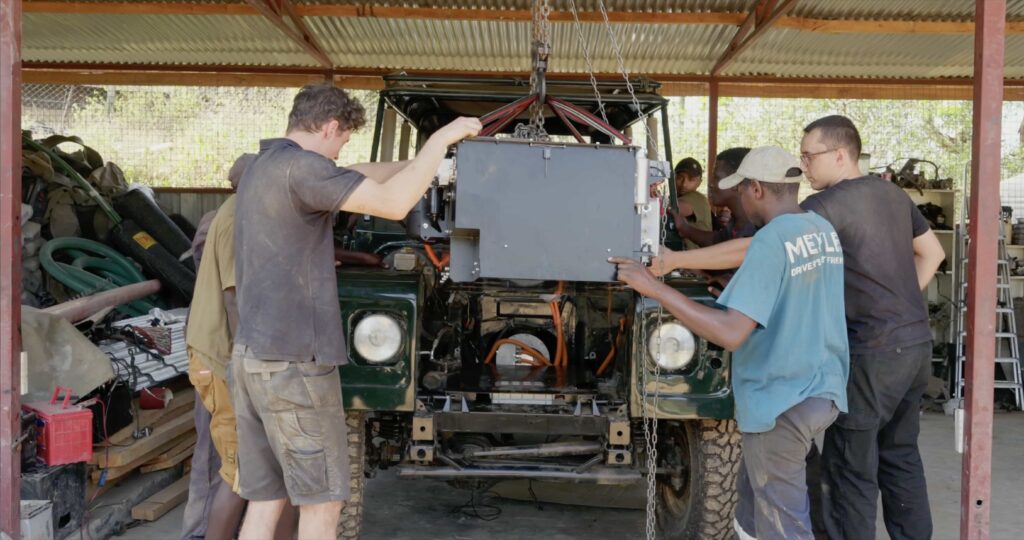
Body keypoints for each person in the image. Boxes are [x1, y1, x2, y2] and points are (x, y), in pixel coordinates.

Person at [652, 116, 946, 540]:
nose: (804, 166)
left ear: (841, 155)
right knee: (901, 456)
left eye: (810, 156)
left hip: (870, 350)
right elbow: (932, 254)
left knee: (850, 470)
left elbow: (758, 246)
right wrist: (896, 309)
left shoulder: (825, 206)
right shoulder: (893, 194)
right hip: (914, 344)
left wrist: (676, 261)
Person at [231, 83, 481, 539]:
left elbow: (354, 172)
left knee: (266, 498)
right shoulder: (304, 172)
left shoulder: (259, 166)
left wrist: (432, 165)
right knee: (324, 501)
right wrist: (438, 141)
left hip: (252, 359)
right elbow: (392, 203)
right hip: (295, 365)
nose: (342, 147)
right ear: (329, 127)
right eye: (343, 137)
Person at [610, 146, 848, 540]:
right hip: (820, 390)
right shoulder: (818, 229)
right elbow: (752, 253)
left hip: (780, 401)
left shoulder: (772, 242)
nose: (738, 200)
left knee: (782, 525)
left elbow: (730, 333)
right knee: (752, 514)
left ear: (755, 188)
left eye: (740, 191)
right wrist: (674, 261)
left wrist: (654, 287)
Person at [182, 154, 298, 540]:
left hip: (230, 355)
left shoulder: (246, 213)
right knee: (238, 473)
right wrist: (246, 368)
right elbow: (234, 299)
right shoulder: (236, 219)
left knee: (264, 473)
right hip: (222, 359)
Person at [672, 148, 756, 250]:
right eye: (680, 177)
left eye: (716, 177)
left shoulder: (755, 229)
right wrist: (685, 229)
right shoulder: (736, 222)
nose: (710, 184)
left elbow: (727, 255)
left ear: (735, 183)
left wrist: (674, 259)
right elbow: (715, 241)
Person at [666, 157, 712, 249]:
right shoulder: (674, 198)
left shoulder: (697, 198)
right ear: (673, 178)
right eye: (680, 178)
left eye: (691, 180)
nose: (684, 184)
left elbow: (674, 208)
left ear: (699, 182)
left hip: (696, 260)